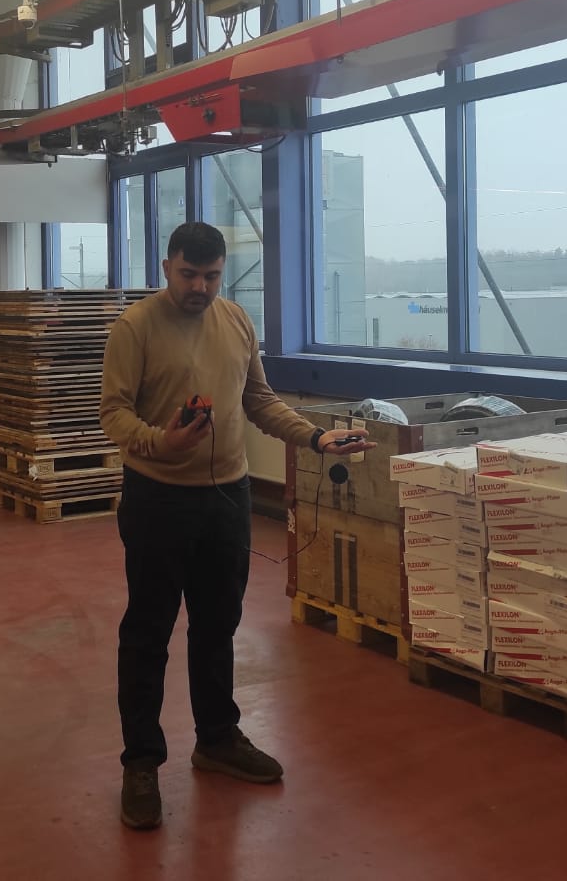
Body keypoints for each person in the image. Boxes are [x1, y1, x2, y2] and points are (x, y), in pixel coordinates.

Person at [99, 221, 372, 831]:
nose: (200, 287)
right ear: (166, 267)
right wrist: (161, 442)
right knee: (147, 631)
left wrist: (316, 437)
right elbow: (113, 412)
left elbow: (259, 400)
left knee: (218, 623)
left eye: (212, 276)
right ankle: (141, 762)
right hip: (157, 498)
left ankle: (217, 738)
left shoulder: (237, 322)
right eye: (188, 275)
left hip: (226, 498)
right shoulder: (135, 327)